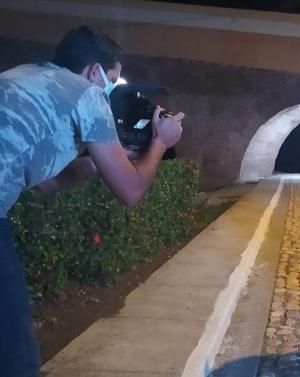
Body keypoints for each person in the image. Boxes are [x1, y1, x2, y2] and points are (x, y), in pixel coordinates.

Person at [0, 25, 185, 377]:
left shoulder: (23, 77)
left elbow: (46, 183)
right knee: (15, 358)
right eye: (113, 79)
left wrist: (104, 163)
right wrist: (160, 143)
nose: (111, 87)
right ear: (93, 71)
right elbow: (131, 193)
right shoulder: (88, 94)